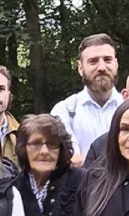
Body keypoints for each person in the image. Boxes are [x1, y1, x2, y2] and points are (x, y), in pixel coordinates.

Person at [51, 34, 122, 164]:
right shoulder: (65, 111)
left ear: (116, 64)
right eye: (93, 61)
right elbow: (72, 163)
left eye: (107, 60)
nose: (101, 67)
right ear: (80, 68)